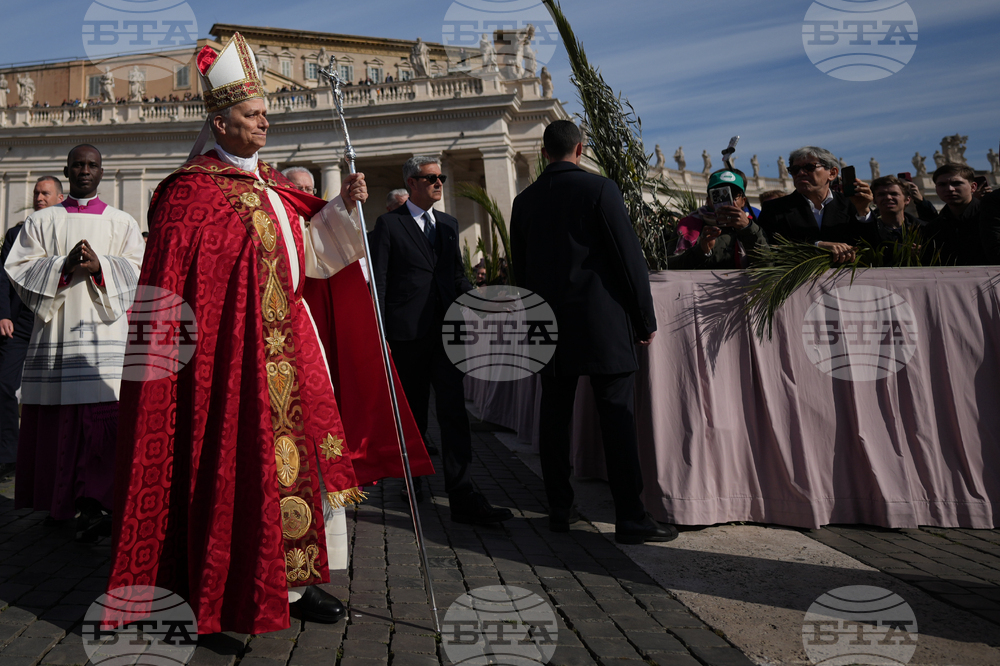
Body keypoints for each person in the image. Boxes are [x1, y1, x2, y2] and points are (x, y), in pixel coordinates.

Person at [106, 32, 421, 636]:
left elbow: (310, 257)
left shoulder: (276, 189)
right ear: (220, 124)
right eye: (253, 116)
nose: (264, 124)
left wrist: (339, 211)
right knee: (229, 466)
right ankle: (215, 591)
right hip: (222, 363)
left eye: (265, 114)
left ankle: (297, 584)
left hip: (291, 351)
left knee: (300, 464)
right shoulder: (186, 196)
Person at [510, 120, 676, 545]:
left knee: (554, 418)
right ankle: (630, 517)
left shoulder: (523, 201)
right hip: (601, 322)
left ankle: (559, 509)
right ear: (580, 149)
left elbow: (521, 270)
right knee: (617, 420)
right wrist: (644, 318)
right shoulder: (600, 189)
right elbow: (628, 258)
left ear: (544, 152)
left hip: (547, 324)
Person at [5, 146, 144, 541]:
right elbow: (18, 268)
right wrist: (62, 266)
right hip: (57, 334)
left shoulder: (122, 222)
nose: (85, 171)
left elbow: (137, 267)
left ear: (103, 171)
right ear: (66, 170)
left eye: (92, 165)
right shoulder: (42, 220)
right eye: (78, 165)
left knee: (103, 420)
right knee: (60, 421)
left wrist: (102, 266)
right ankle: (59, 501)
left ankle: (99, 502)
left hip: (106, 335)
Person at [370, 156, 512, 524]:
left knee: (454, 415)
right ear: (412, 182)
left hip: (448, 335)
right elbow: (380, 284)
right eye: (431, 178)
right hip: (406, 336)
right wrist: (381, 333)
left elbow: (457, 277)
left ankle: (462, 493)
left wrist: (483, 302)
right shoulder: (388, 225)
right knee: (413, 416)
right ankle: (414, 485)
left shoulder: (448, 225)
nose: (439, 183)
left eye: (441, 177)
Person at [0, 176, 66, 480]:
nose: (39, 198)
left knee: (54, 392)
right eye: (36, 193)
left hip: (55, 321)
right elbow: (3, 278)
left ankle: (53, 457)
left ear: (59, 198)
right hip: (20, 322)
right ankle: (8, 455)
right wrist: (3, 315)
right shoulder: (16, 234)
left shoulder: (69, 230)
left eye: (45, 193)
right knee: (3, 384)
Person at [757, 146, 875, 264]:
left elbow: (874, 248)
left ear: (832, 173)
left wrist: (863, 211)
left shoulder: (852, 204)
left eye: (809, 167)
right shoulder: (774, 209)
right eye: (795, 169)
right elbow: (769, 249)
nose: (801, 173)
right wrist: (816, 246)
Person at [667, 169, 768, 270]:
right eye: (718, 194)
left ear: (743, 201)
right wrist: (701, 251)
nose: (727, 200)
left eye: (734, 194)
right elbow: (670, 266)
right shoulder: (687, 226)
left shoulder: (755, 226)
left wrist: (747, 229)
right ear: (708, 200)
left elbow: (767, 265)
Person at [922, 164, 986, 266]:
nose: (950, 189)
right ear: (936, 189)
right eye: (942, 184)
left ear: (973, 187)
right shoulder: (932, 229)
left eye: (956, 183)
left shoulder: (991, 217)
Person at [870, 175, 921, 243]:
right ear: (874, 200)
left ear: (907, 199)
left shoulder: (924, 230)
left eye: (894, 194)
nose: (888, 197)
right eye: (881, 194)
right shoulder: (867, 232)